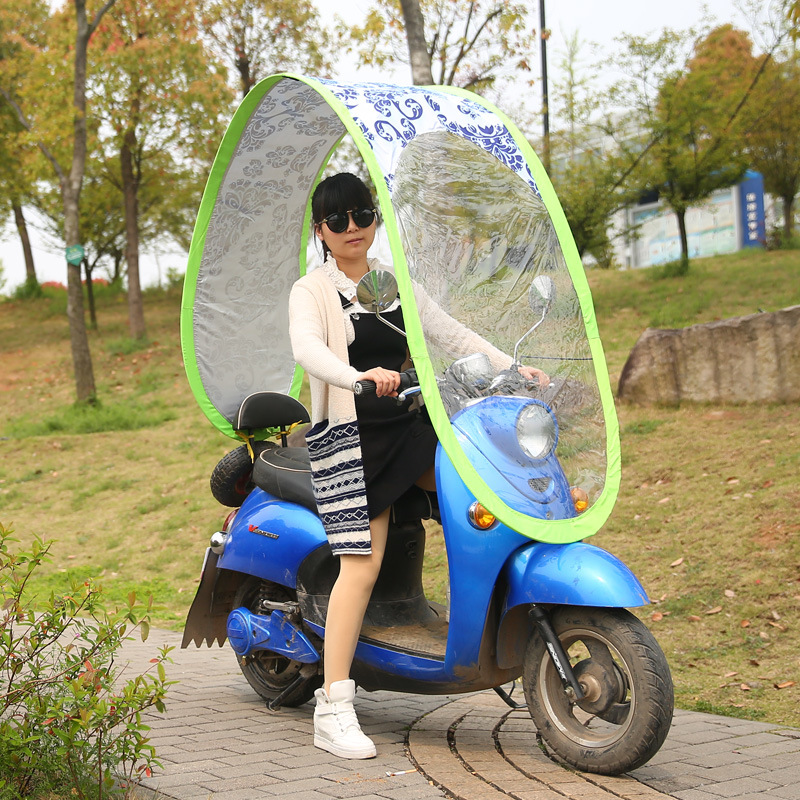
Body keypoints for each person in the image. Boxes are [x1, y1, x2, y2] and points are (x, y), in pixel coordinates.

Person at [288, 172, 548, 760]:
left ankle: (490, 631)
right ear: (322, 231)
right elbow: (307, 348)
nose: (353, 229)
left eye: (362, 215)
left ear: (374, 217)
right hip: (351, 436)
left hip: (410, 420)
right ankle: (333, 706)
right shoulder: (312, 291)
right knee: (362, 565)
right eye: (338, 221)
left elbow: (448, 333)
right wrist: (355, 376)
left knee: (485, 497)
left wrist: (514, 365)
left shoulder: (391, 280)